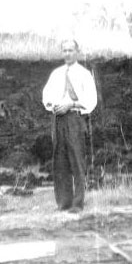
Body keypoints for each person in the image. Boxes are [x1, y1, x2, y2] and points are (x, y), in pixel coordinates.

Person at [41, 39, 98, 213]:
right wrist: (54, 105)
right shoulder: (56, 74)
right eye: (64, 50)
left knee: (77, 159)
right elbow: (46, 96)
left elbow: (91, 100)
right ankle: (63, 203)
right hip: (58, 119)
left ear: (77, 52)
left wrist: (70, 105)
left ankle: (77, 204)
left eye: (71, 50)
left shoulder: (84, 74)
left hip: (75, 118)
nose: (67, 54)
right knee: (60, 160)